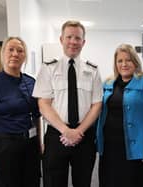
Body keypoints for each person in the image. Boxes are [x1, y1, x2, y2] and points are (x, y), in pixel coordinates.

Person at [32, 20, 103, 187]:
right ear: (61, 40)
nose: (73, 41)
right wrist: (66, 131)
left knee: (83, 181)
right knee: (53, 182)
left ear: (83, 42)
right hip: (57, 136)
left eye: (77, 38)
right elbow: (44, 104)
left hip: (84, 136)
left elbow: (96, 105)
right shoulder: (48, 68)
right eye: (69, 37)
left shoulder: (92, 70)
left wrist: (78, 131)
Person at [96, 44, 143, 187]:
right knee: (109, 181)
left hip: (138, 149)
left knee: (134, 182)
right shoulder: (108, 83)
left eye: (128, 60)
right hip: (110, 147)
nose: (124, 64)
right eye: (119, 61)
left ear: (135, 61)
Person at [0, 37, 41, 187]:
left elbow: (37, 117)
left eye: (20, 50)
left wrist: (39, 143)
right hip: (4, 147)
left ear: (24, 57)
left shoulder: (31, 83)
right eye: (10, 49)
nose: (15, 54)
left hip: (30, 146)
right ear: (3, 53)